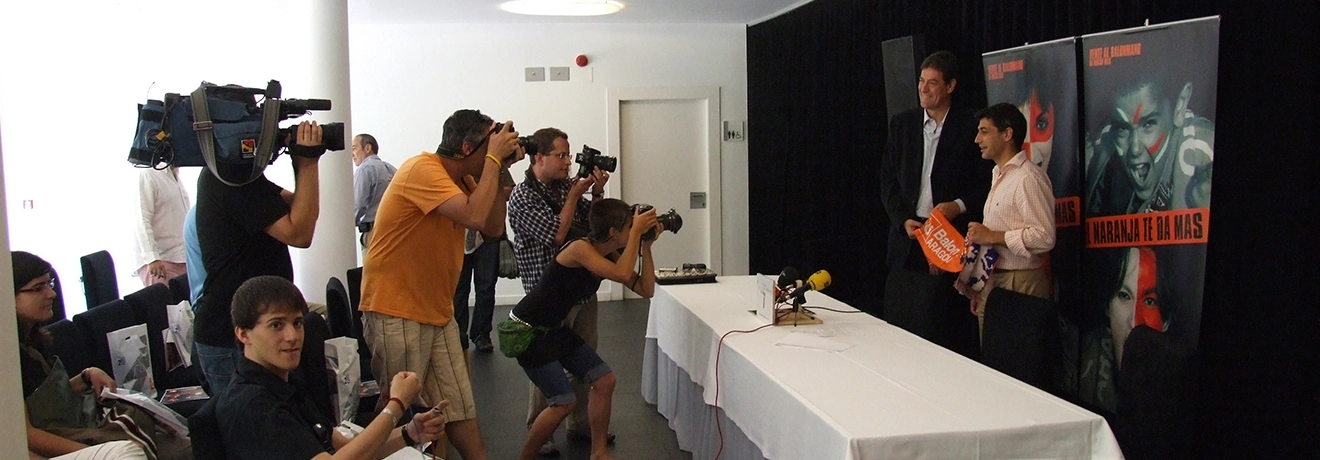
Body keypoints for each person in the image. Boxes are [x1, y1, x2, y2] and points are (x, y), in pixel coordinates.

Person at [359, 109, 524, 460]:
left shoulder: (463, 180)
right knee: (402, 414)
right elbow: (474, 216)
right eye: (490, 144)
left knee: (458, 407)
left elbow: (493, 228)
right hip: (397, 310)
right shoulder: (422, 169)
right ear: (467, 148)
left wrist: (499, 168)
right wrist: (494, 161)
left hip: (437, 311)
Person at [208, 275, 449, 459]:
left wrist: (409, 433)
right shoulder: (253, 405)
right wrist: (396, 405)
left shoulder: (284, 384)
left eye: (297, 323)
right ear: (244, 334)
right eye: (276, 325)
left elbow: (347, 449)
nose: (292, 336)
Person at [510, 199, 660, 460]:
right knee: (563, 401)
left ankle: (598, 452)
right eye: (629, 227)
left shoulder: (608, 253)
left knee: (605, 381)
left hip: (553, 329)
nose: (632, 230)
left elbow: (646, 289)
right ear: (613, 232)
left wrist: (645, 246)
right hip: (528, 331)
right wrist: (637, 232)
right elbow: (623, 274)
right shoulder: (579, 248)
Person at [193, 121, 326, 395]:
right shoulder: (229, 178)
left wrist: (300, 162)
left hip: (248, 324)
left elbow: (299, 206)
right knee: (251, 417)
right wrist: (308, 163)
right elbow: (300, 233)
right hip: (233, 334)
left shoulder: (239, 177)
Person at [14, 251, 188, 459]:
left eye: (49, 284)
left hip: (81, 425)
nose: (51, 294)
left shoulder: (34, 341)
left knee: (190, 444)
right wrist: (98, 453)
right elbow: (26, 435)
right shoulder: (10, 358)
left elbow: (49, 402)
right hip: (71, 441)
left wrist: (87, 375)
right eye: (38, 288)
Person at [879, 50, 992, 358]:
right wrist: (902, 219)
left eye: (932, 83)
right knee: (900, 325)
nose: (923, 88)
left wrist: (958, 205)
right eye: (921, 81)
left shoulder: (971, 126)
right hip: (909, 237)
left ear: (950, 86)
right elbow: (887, 181)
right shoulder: (903, 124)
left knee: (942, 328)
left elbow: (986, 183)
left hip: (949, 240)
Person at [507, 127, 611, 455]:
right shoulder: (522, 196)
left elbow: (592, 229)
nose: (568, 161)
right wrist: (574, 195)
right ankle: (541, 430)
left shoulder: (568, 187)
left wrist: (596, 194)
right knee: (546, 365)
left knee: (584, 360)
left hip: (580, 289)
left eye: (569, 154)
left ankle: (579, 423)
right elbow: (556, 233)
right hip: (548, 300)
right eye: (561, 155)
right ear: (539, 158)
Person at [964, 103, 1057, 339]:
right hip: (993, 278)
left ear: (1007, 134)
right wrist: (979, 284)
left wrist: (992, 236)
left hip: (1021, 281)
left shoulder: (1028, 178)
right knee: (991, 355)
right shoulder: (998, 173)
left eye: (984, 132)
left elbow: (1045, 237)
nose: (977, 139)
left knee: (1016, 355)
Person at [1084, 78, 1214, 217]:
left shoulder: (1204, 153)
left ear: (1179, 106)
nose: (1135, 149)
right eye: (1122, 128)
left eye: (1148, 124)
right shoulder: (1101, 153)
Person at [132, 166, 190, 287]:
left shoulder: (175, 177)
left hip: (181, 259)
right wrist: (152, 258)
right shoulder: (149, 174)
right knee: (165, 299)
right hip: (160, 262)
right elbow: (142, 219)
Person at [451, 228, 500, 353]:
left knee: (486, 288)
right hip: (457, 233)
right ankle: (458, 334)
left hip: (487, 234)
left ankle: (482, 334)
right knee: (459, 289)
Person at [352, 133, 396, 258]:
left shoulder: (365, 169)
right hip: (394, 232)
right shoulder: (392, 169)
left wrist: (345, 227)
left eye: (354, 148)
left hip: (374, 233)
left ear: (367, 148)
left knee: (373, 270)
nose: (352, 154)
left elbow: (358, 204)